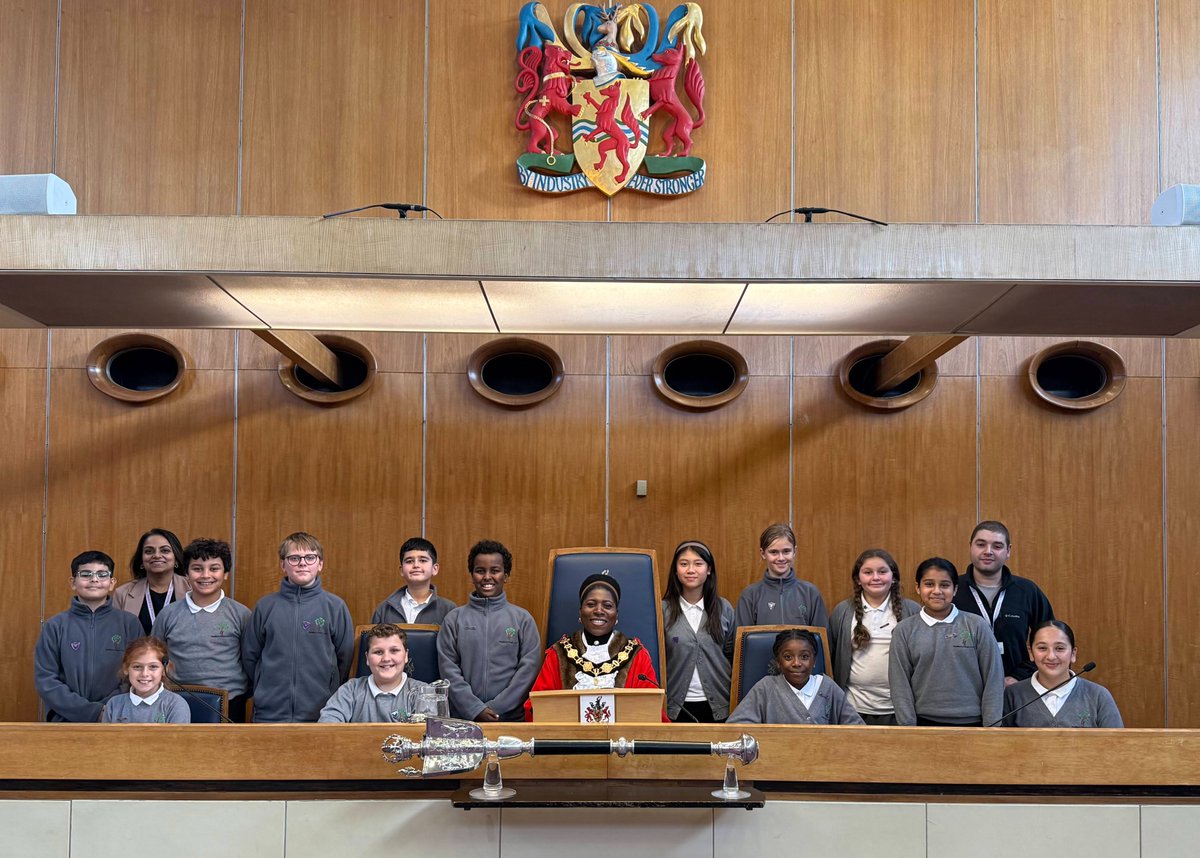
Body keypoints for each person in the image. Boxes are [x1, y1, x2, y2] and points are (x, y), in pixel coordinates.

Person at [242, 532, 354, 722]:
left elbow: (345, 658)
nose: (302, 563)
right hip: (269, 714)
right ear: (283, 565)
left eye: (310, 557)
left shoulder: (335, 607)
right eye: (294, 558)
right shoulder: (265, 607)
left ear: (320, 564)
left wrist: (330, 688)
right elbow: (250, 656)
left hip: (322, 714)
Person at [526, 572, 663, 721]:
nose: (598, 611)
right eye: (591, 604)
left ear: (616, 615)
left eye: (607, 606)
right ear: (580, 612)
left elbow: (651, 710)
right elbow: (537, 706)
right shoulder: (559, 654)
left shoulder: (636, 655)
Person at [889, 557, 1005, 727]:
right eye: (929, 584)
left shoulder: (976, 625)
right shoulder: (904, 630)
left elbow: (993, 677)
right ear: (918, 588)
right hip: (923, 723)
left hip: (974, 723)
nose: (937, 591)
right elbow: (899, 685)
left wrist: (991, 727)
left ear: (955, 589)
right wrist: (909, 729)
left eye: (944, 585)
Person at [437, 540, 541, 722]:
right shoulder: (454, 619)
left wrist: (496, 708)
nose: (487, 577)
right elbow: (448, 669)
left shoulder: (522, 619)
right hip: (463, 719)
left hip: (510, 720)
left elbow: (528, 671)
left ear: (505, 575)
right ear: (472, 575)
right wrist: (475, 709)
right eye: (480, 571)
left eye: (495, 570)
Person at [35, 550, 144, 722]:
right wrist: (90, 712)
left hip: (116, 717)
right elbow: (46, 680)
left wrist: (107, 709)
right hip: (65, 720)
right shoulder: (55, 626)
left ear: (112, 583)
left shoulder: (129, 624)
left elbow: (138, 673)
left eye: (102, 574)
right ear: (73, 582)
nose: (94, 579)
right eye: (86, 574)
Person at [151, 538, 252, 721]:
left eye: (214, 569)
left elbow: (250, 661)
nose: (206, 575)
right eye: (197, 569)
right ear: (186, 573)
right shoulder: (168, 615)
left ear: (225, 573)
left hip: (231, 702)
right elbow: (155, 659)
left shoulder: (241, 614)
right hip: (176, 701)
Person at [953, 520, 1054, 685]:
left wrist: (1020, 676)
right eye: (981, 544)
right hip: (963, 688)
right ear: (970, 547)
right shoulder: (953, 590)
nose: (988, 551)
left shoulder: (1027, 591)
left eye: (997, 546)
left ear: (1008, 551)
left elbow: (1051, 638)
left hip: (1017, 689)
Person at [828, 549, 921, 725]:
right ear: (858, 578)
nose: (876, 577)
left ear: (894, 577)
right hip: (853, 707)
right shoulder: (843, 611)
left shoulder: (913, 611)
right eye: (868, 572)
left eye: (882, 571)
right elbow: (831, 657)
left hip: (899, 709)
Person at [661, 540, 734, 722]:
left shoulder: (724, 608)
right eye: (684, 564)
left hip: (720, 706)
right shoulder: (662, 610)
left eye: (698, 564)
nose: (691, 570)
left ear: (709, 569)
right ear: (675, 570)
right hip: (675, 707)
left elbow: (732, 654)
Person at [728, 629, 864, 725]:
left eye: (804, 657)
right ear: (778, 662)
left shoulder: (828, 687)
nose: (797, 663)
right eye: (788, 657)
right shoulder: (766, 687)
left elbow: (857, 728)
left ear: (814, 661)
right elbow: (736, 727)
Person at [1003, 621, 1123, 728]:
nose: (1051, 656)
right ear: (1031, 653)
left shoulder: (1098, 695)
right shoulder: (1012, 695)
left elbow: (1118, 743)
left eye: (1060, 648)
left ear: (1073, 654)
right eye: (1042, 648)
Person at [319, 624, 438, 723]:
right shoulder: (350, 690)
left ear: (406, 655)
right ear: (367, 658)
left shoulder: (424, 693)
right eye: (378, 652)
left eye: (394, 651)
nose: (386, 658)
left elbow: (429, 734)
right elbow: (327, 728)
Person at [734, 523, 829, 630]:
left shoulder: (810, 593)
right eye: (774, 552)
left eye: (786, 551)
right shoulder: (750, 595)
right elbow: (742, 638)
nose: (781, 558)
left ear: (794, 551)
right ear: (763, 553)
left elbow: (822, 637)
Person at [113, 528, 191, 635]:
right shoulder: (123, 593)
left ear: (176, 558)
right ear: (141, 561)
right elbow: (116, 635)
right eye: (149, 551)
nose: (157, 555)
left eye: (165, 550)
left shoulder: (192, 589)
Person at [100, 636, 190, 723]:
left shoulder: (175, 705)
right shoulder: (114, 705)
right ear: (126, 668)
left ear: (164, 669)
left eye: (153, 666)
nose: (145, 674)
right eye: (137, 667)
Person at [371, 537, 456, 625]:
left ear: (435, 569)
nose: (416, 565)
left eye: (423, 560)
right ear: (401, 570)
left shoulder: (449, 609)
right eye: (409, 561)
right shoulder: (384, 609)